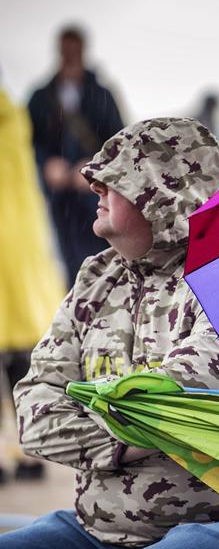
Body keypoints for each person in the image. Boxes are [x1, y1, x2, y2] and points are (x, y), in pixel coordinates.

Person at [7, 118, 219, 549]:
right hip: (104, 532)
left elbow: (183, 390)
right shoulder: (96, 278)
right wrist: (129, 443)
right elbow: (34, 412)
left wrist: (96, 406)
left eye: (115, 178)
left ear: (163, 194)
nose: (95, 187)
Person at [0, 82, 64, 482]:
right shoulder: (19, 113)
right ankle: (24, 449)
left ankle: (18, 449)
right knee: (21, 355)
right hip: (21, 242)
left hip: (18, 244)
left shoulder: (20, 113)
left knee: (19, 353)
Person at [28, 25, 124, 284]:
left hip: (94, 195)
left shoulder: (101, 95)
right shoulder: (41, 97)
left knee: (100, 259)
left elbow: (119, 141)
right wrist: (47, 163)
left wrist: (94, 166)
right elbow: (30, 142)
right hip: (58, 196)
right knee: (66, 260)